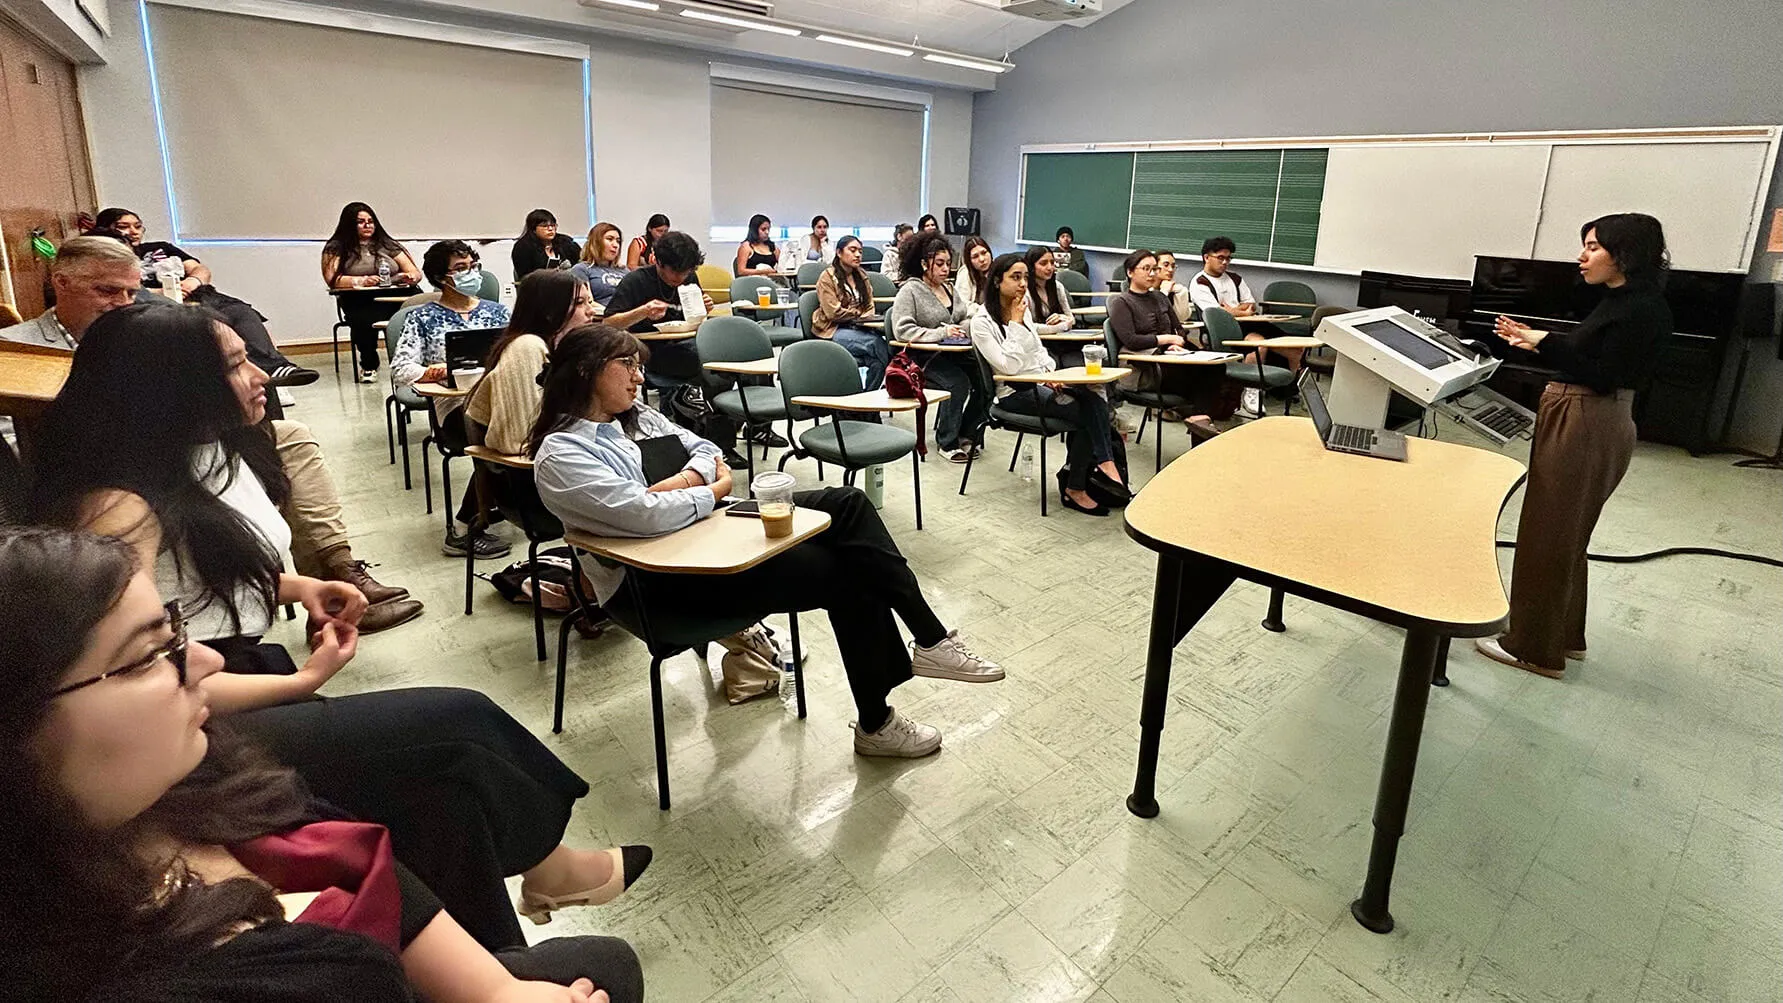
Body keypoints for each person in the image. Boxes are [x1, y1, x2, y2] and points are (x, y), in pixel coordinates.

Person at [26, 305, 653, 954]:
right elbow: (145, 679)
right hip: (195, 714)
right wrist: (301, 680)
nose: (260, 374)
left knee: (437, 798)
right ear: (174, 384)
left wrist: (299, 586)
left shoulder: (208, 454)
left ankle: (498, 964)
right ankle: (545, 867)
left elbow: (202, 577)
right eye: (237, 365)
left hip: (235, 669)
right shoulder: (117, 510)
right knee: (459, 726)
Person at [0, 525, 646, 1002]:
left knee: (600, 958)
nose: (205, 662)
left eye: (175, 635)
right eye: (147, 656)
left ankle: (548, 872)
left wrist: (492, 989)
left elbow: (336, 840)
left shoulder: (170, 787)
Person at [530, 325, 1003, 758]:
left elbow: (708, 450)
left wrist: (684, 484)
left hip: (713, 530)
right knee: (849, 574)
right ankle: (879, 721)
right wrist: (706, 488)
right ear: (588, 371)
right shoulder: (562, 452)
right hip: (658, 584)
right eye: (628, 366)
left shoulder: (637, 419)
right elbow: (640, 514)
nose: (639, 377)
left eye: (640, 365)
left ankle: (930, 638)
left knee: (846, 504)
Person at [1478, 213, 1674, 680]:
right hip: (1592, 418)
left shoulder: (1639, 308)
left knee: (1548, 536)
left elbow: (1604, 375)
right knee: (1566, 537)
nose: (1582, 256)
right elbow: (1594, 357)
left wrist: (1545, 341)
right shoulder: (1626, 300)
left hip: (1588, 419)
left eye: (1593, 247)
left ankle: (1531, 648)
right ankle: (1563, 636)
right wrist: (1538, 343)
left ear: (1624, 253)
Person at [969, 253, 1128, 517]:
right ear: (997, 281)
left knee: (1095, 399)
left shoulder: (1023, 306)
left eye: (1025, 277)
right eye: (1015, 277)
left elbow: (1039, 353)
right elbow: (1008, 367)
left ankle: (1097, 466)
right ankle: (1080, 483)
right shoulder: (981, 322)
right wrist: (1016, 324)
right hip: (1013, 392)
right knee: (1085, 413)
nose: (1022, 284)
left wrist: (1049, 374)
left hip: (1040, 383)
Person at [93, 208, 318, 389]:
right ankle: (259, 372)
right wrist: (165, 293)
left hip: (198, 292)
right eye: (124, 227)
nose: (133, 231)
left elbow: (200, 269)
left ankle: (276, 367)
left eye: (138, 226)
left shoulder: (160, 248)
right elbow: (130, 291)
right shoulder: (112, 259)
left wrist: (192, 282)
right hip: (164, 303)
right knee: (212, 322)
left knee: (242, 312)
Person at [392, 240, 513, 558]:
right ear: (441, 277)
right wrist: (435, 371)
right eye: (460, 269)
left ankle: (511, 504)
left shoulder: (498, 312)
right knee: (498, 436)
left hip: (502, 400)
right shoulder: (422, 318)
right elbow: (401, 368)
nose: (471, 273)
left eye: (473, 266)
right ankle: (463, 530)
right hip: (456, 410)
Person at [468, 271, 597, 456]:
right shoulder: (526, 347)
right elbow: (517, 440)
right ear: (549, 312)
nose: (591, 311)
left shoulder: (567, 349)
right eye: (579, 303)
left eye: (589, 302)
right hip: (529, 473)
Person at [889, 233, 988, 462]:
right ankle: (947, 442)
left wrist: (967, 326)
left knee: (986, 380)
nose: (945, 269)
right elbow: (902, 331)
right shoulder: (910, 291)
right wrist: (942, 333)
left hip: (952, 352)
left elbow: (961, 315)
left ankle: (967, 432)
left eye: (947, 263)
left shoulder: (948, 288)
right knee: (957, 383)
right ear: (924, 264)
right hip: (921, 358)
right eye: (940, 264)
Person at [1188, 236, 1299, 416]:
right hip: (1223, 330)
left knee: (1296, 349)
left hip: (1250, 323)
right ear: (1206, 257)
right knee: (1259, 346)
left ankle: (1288, 388)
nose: (1225, 262)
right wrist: (1241, 311)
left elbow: (1251, 305)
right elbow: (1218, 314)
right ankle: (1250, 391)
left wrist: (1236, 309)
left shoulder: (1235, 278)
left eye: (1228, 258)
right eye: (1220, 258)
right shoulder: (1200, 283)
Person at [1109, 248, 1214, 426]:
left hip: (1171, 356)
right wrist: (1166, 340)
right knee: (1197, 375)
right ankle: (1198, 420)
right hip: (1143, 365)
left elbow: (1179, 329)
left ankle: (1197, 418)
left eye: (1155, 269)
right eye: (1146, 269)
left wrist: (1178, 343)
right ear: (1130, 272)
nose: (1152, 273)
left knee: (1214, 368)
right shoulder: (1121, 301)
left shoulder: (1159, 297)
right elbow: (1131, 341)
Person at [320, 202, 423, 384]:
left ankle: (414, 360)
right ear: (349, 225)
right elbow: (332, 279)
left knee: (418, 309)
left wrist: (410, 277)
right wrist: (360, 281)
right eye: (361, 222)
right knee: (363, 320)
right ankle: (368, 365)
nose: (367, 226)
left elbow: (414, 271)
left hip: (395, 294)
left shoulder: (387, 244)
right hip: (360, 298)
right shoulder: (336, 247)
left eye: (370, 221)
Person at [3, 235, 139, 351]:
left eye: (132, 293)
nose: (124, 303)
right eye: (107, 291)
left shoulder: (146, 341)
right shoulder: (11, 348)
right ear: (62, 282)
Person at [813, 235, 887, 389]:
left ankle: (867, 404)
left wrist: (866, 318)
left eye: (860, 251)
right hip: (833, 329)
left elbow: (869, 305)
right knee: (876, 344)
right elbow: (833, 313)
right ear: (839, 253)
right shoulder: (827, 277)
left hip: (858, 328)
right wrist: (857, 315)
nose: (858, 255)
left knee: (878, 361)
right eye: (852, 250)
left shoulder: (861, 275)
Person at [572, 222, 630, 312]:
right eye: (610, 239)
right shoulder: (582, 269)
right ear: (596, 242)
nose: (615, 245)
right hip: (601, 318)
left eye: (618, 241)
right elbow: (587, 302)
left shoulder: (624, 270)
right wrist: (611, 314)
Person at [512, 209, 582, 282]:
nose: (551, 229)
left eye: (553, 225)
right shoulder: (523, 247)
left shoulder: (564, 241)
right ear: (533, 229)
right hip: (537, 287)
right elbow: (525, 277)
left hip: (566, 285)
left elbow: (581, 261)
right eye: (545, 226)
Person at [1154, 250, 1196, 324]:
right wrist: (1164, 292)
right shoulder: (1145, 290)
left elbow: (1182, 318)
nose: (1170, 270)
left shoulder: (1174, 291)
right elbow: (1152, 316)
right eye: (1166, 265)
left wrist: (1181, 292)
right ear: (1155, 267)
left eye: (1173, 266)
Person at [734, 214, 780, 278]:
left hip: (771, 281)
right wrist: (763, 271)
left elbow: (782, 265)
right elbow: (741, 271)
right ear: (754, 230)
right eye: (763, 229)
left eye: (768, 229)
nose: (767, 232)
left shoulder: (773, 247)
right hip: (753, 281)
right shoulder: (746, 246)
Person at [955, 236, 994, 306]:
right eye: (975, 256)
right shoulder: (965, 273)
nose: (982, 259)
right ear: (969, 260)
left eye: (984, 253)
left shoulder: (999, 270)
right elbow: (961, 304)